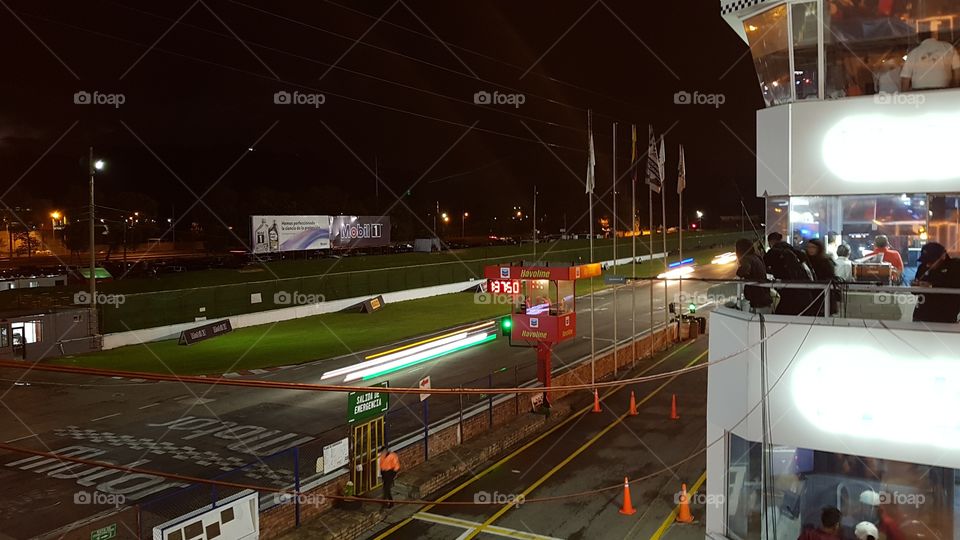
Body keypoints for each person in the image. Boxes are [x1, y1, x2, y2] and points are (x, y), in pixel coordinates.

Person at [764, 232, 816, 315]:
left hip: (789, 294)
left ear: (770, 242)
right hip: (806, 294)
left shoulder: (772, 253)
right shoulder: (798, 253)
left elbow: (764, 268)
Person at [912, 242, 960, 323]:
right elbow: (915, 291)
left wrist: (931, 285)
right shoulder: (922, 267)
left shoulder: (955, 267)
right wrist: (915, 285)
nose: (928, 265)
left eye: (931, 261)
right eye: (925, 261)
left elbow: (954, 286)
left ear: (943, 256)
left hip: (946, 315)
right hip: (922, 313)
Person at [736, 238, 772, 313]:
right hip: (765, 300)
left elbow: (744, 270)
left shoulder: (747, 258)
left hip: (758, 303)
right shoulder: (756, 257)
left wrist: (739, 271)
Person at [806, 239, 838, 315]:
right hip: (810, 295)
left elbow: (830, 277)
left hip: (823, 295)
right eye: (809, 247)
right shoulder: (806, 261)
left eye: (813, 247)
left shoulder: (825, 262)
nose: (810, 249)